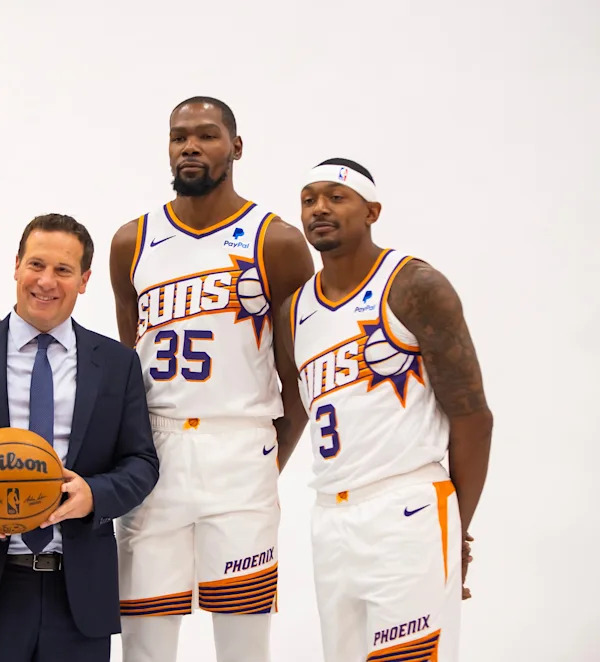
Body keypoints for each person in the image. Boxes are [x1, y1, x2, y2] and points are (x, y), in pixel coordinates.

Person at [108, 96, 315, 662]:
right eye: (179, 137)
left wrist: (266, 460)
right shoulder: (132, 241)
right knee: (146, 640)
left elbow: (298, 378)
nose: (191, 147)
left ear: (237, 147)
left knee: (243, 642)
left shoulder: (277, 242)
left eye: (206, 135)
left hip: (240, 446)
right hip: (157, 449)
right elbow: (128, 364)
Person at [0, 213, 160, 661]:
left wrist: (94, 495)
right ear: (16, 265)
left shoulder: (118, 364)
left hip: (78, 595)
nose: (46, 281)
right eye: (36, 265)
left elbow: (142, 462)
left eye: (63, 270)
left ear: (84, 280)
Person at [277, 157, 493, 661]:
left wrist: (457, 528)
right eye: (309, 199)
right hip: (330, 517)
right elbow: (294, 414)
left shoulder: (412, 284)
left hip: (407, 506)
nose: (319, 209)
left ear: (372, 210)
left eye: (336, 196)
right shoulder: (294, 311)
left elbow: (472, 416)